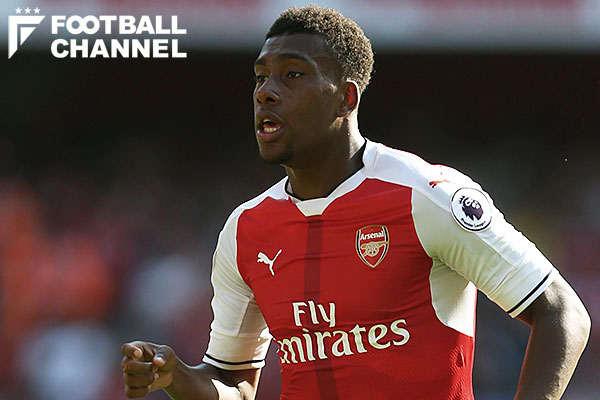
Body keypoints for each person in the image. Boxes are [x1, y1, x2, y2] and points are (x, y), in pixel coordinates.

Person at [121, 6, 591, 399]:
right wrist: (176, 375)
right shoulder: (245, 230)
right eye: (261, 77)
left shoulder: (425, 195)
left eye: (292, 75)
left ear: (346, 98)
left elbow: (561, 311)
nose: (266, 92)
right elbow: (234, 384)